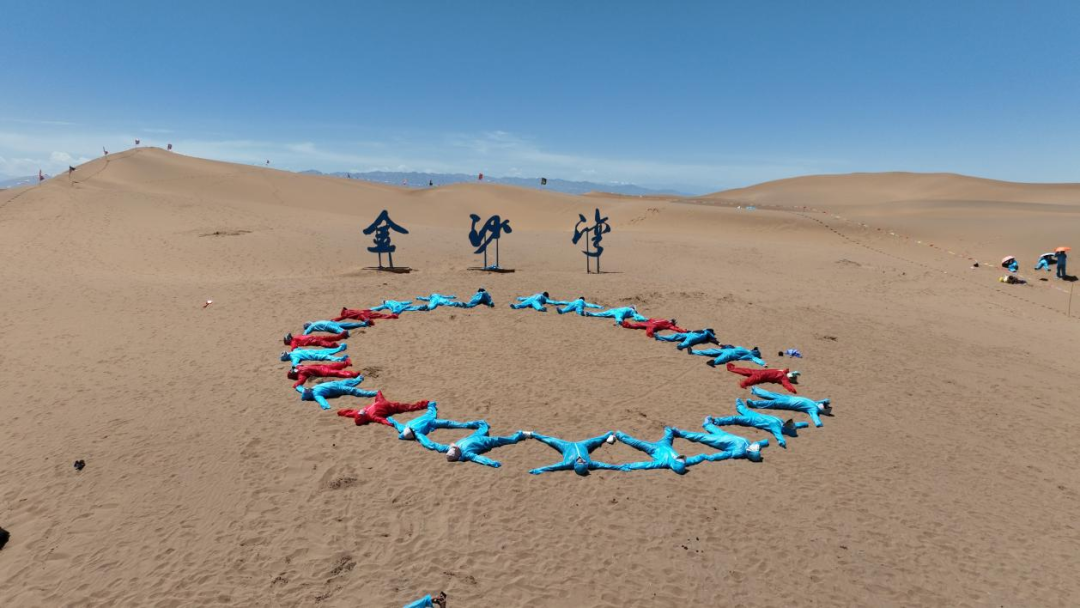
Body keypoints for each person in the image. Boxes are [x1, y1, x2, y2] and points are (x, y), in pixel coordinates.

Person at [415, 421, 529, 467]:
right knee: (505, 440)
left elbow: (434, 445)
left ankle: (483, 423)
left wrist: (420, 436)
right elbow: (479, 459)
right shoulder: (466, 453)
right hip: (484, 441)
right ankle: (518, 435)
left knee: (483, 427)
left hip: (474, 437)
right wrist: (492, 463)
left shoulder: (449, 449)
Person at [709, 399, 809, 449]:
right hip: (757, 415)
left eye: (789, 424)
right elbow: (796, 425)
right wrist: (803, 424)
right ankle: (739, 404)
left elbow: (778, 435)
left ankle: (717, 421)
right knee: (743, 410)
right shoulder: (783, 424)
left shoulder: (776, 427)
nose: (789, 423)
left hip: (753, 420)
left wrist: (781, 442)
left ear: (787, 429)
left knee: (736, 418)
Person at [528, 431, 619, 475]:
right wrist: (620, 467)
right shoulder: (589, 463)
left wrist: (538, 470)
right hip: (583, 445)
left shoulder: (568, 463)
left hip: (566, 446)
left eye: (580, 461)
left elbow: (552, 467)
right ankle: (611, 434)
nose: (582, 460)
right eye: (584, 462)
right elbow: (604, 465)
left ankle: (532, 434)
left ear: (575, 464)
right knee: (597, 440)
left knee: (551, 440)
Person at [671, 423, 768, 463]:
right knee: (716, 430)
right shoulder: (749, 445)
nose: (754, 447)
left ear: (749, 453)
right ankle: (707, 424)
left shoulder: (739, 452)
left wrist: (712, 457)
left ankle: (680, 433)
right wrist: (764, 442)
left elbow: (726, 454)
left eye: (753, 449)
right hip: (727, 436)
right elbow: (758, 443)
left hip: (721, 441)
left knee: (701, 436)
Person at [386, 401, 484, 441]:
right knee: (448, 422)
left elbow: (394, 422)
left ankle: (469, 424)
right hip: (430, 421)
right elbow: (395, 423)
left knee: (447, 422)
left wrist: (388, 418)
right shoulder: (407, 429)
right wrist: (388, 418)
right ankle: (469, 424)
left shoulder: (409, 431)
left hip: (429, 420)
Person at [613, 428, 692, 474]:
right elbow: (696, 458)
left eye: (678, 459)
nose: (678, 457)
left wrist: (629, 466)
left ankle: (619, 435)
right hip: (666, 444)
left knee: (638, 443)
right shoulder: (683, 462)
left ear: (674, 464)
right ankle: (670, 429)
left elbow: (647, 465)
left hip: (653, 448)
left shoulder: (663, 462)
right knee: (669, 432)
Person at [745, 387, 832, 427]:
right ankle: (756, 390)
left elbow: (815, 419)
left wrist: (818, 423)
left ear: (822, 409)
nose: (824, 404)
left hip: (788, 403)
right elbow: (824, 400)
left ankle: (753, 404)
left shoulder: (813, 409)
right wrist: (826, 401)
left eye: (824, 405)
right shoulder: (815, 404)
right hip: (789, 398)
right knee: (772, 395)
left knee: (772, 403)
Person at [337, 391, 429, 426]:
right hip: (387, 405)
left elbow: (351, 412)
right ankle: (422, 404)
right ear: (364, 417)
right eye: (362, 413)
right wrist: (389, 423)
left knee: (379, 393)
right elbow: (381, 420)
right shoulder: (371, 416)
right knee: (405, 407)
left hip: (380, 402)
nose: (362, 411)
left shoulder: (362, 414)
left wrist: (342, 412)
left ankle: (422, 405)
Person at [296, 376, 378, 410]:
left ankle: (358, 379)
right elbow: (321, 401)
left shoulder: (310, 389)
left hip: (336, 383)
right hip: (338, 389)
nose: (308, 389)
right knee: (353, 390)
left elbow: (301, 389)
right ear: (309, 394)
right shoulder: (316, 395)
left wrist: (298, 387)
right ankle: (370, 393)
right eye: (307, 390)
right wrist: (325, 406)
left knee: (348, 381)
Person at [725, 363, 799, 393]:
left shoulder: (782, 371)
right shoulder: (783, 378)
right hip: (761, 376)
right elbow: (787, 385)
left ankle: (732, 368)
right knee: (746, 382)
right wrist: (793, 390)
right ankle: (743, 383)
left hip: (760, 371)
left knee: (747, 371)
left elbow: (788, 374)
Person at [287, 360, 359, 388]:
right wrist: (296, 384)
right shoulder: (301, 374)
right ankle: (352, 374)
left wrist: (296, 384)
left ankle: (346, 363)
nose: (295, 369)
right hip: (322, 371)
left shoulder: (298, 368)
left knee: (334, 366)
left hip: (320, 367)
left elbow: (298, 366)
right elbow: (301, 380)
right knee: (336, 372)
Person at [689, 345, 766, 367]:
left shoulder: (750, 355)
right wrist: (726, 346)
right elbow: (733, 347)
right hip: (728, 351)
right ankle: (693, 352)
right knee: (712, 351)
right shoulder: (747, 351)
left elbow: (756, 359)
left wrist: (763, 363)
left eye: (754, 350)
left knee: (717, 355)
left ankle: (713, 362)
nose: (753, 349)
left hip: (729, 353)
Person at [280, 344, 349, 367]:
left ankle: (339, 348)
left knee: (325, 351)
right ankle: (339, 359)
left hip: (311, 351)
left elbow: (298, 348)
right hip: (311, 355)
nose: (286, 352)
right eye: (285, 354)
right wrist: (298, 365)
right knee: (325, 356)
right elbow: (295, 364)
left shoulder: (294, 351)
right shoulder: (294, 357)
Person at [654, 328, 719, 350]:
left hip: (695, 336)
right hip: (690, 334)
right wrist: (688, 331)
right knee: (677, 335)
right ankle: (660, 337)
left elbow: (713, 339)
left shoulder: (708, 333)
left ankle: (681, 346)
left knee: (688, 341)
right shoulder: (704, 330)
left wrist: (719, 343)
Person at [620, 317, 687, 338]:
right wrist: (684, 331)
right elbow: (675, 329)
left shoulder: (664, 320)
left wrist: (649, 320)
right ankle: (625, 324)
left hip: (650, 322)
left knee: (636, 325)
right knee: (649, 332)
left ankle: (625, 324)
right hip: (652, 325)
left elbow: (654, 319)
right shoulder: (670, 325)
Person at [584, 305, 648, 326]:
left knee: (601, 314)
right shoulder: (632, 311)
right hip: (620, 312)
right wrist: (644, 319)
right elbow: (637, 316)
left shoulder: (625, 307)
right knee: (619, 318)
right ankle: (618, 322)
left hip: (614, 310)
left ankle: (590, 313)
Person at [284, 331, 348, 350]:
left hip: (312, 337)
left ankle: (340, 336)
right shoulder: (293, 341)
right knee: (322, 342)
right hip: (310, 340)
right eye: (289, 337)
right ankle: (336, 346)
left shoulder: (294, 339)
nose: (291, 336)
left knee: (326, 338)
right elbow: (293, 347)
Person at [303, 320, 367, 335]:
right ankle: (363, 324)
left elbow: (306, 332)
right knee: (346, 326)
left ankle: (362, 326)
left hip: (330, 324)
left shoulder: (313, 324)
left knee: (346, 327)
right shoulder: (312, 326)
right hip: (329, 324)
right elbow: (306, 331)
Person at [334, 307, 399, 322]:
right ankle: (392, 316)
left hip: (361, 314)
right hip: (363, 312)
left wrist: (334, 320)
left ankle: (392, 316)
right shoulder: (349, 310)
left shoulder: (346, 313)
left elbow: (340, 318)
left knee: (376, 315)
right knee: (378, 315)